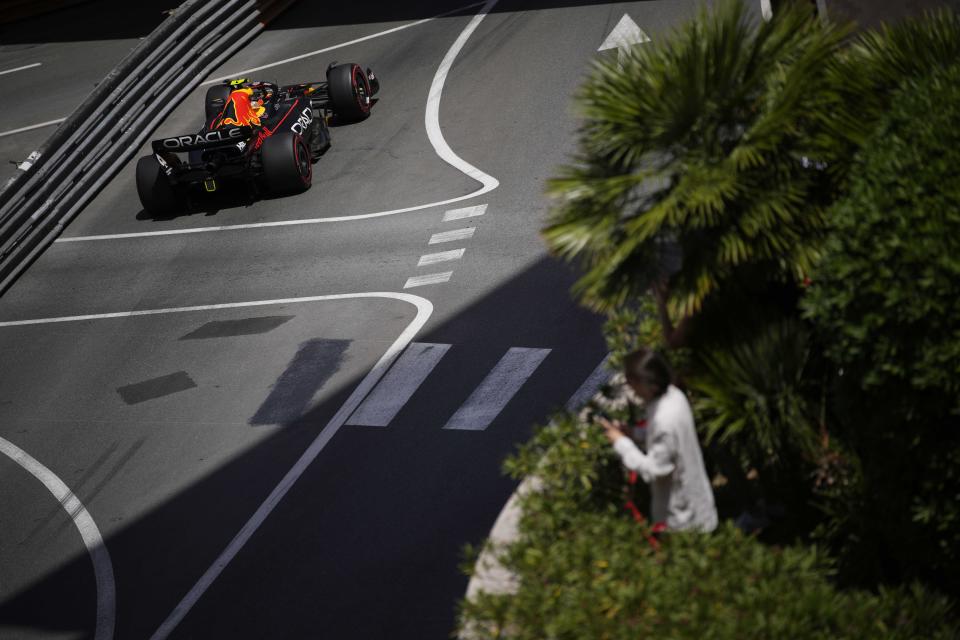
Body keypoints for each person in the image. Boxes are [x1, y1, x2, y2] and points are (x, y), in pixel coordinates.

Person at [598, 349, 718, 532]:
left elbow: (654, 469)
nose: (631, 389)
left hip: (682, 518)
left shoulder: (664, 419)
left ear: (648, 383)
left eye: (633, 383)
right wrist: (633, 433)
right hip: (696, 500)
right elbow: (665, 439)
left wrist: (621, 443)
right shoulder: (673, 395)